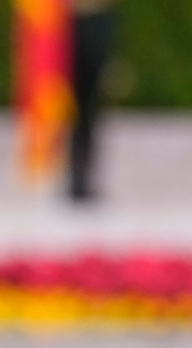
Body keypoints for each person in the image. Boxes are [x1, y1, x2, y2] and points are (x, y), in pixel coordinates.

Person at [66, 0, 117, 205]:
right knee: (78, 110)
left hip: (92, 22)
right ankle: (77, 177)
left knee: (88, 109)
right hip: (72, 22)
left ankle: (82, 177)